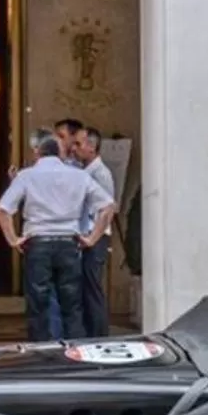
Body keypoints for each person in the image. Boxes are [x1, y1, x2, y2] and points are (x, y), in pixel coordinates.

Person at [0, 133, 114, 341]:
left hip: (38, 243)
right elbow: (108, 206)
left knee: (38, 305)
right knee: (72, 305)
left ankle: (42, 351)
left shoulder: (27, 176)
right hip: (69, 242)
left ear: (38, 153)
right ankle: (74, 350)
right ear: (60, 153)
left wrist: (13, 239)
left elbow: (3, 209)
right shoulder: (79, 176)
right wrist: (92, 238)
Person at [74, 128, 118, 337]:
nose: (74, 148)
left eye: (79, 144)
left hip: (95, 237)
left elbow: (107, 209)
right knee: (86, 288)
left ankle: (98, 335)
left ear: (91, 147)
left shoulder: (100, 174)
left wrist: (92, 238)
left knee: (92, 288)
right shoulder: (85, 171)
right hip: (87, 236)